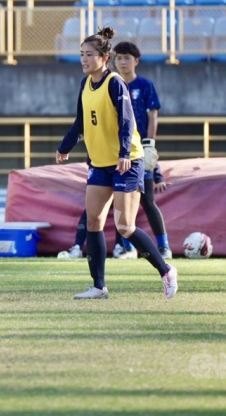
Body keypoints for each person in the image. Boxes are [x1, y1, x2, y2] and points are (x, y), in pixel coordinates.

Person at [56, 27, 178, 300]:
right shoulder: (85, 84)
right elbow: (80, 121)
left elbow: (127, 120)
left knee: (125, 226)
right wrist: (64, 147)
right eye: (81, 54)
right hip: (100, 163)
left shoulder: (114, 83)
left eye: (89, 54)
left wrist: (124, 153)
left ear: (104, 57)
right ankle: (99, 287)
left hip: (127, 161)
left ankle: (166, 269)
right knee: (94, 222)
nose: (84, 59)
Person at [67, 41, 172, 260]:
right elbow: (84, 120)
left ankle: (163, 248)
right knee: (98, 208)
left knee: (145, 202)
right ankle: (117, 251)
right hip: (104, 154)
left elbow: (151, 115)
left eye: (127, 58)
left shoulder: (140, 85)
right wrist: (66, 145)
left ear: (136, 61)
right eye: (119, 58)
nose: (122, 62)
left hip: (134, 152)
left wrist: (149, 143)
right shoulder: (93, 83)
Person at [67, 164, 168, 260]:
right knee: (93, 212)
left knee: (130, 214)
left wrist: (158, 176)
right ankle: (78, 246)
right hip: (104, 167)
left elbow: (147, 148)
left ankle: (162, 251)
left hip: (131, 166)